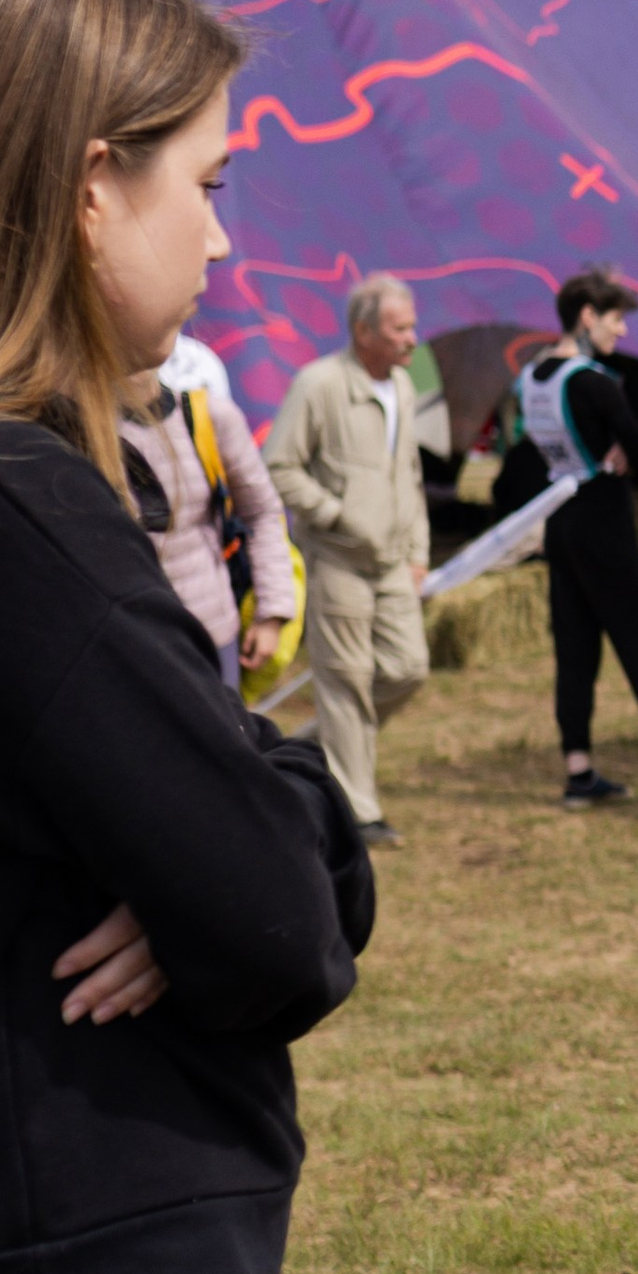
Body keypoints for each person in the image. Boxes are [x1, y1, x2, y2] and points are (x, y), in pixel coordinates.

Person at [0, 0, 372, 1274]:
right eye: (205, 186)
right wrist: (244, 825)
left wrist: (223, 825)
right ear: (88, 189)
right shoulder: (21, 513)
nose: (222, 239)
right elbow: (281, 913)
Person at [521, 269, 638, 802]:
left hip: (561, 518)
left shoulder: (534, 377)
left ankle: (578, 769)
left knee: (574, 648)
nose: (622, 332)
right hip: (603, 518)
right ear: (587, 316)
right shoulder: (595, 382)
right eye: (616, 319)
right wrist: (628, 452)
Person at [266, 275, 432, 846]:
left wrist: (418, 552)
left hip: (391, 562)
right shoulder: (318, 384)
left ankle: (313, 747)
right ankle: (360, 815)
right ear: (363, 331)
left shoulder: (405, 388)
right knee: (345, 683)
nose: (412, 338)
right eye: (399, 328)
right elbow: (280, 466)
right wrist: (335, 516)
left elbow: (408, 473)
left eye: (411, 326)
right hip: (337, 560)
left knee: (407, 668)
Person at [120, 345, 296, 688]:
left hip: (215, 635)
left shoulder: (208, 416)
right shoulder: (73, 427)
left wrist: (272, 612)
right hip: (132, 645)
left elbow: (262, 513)